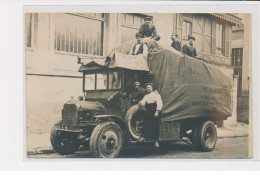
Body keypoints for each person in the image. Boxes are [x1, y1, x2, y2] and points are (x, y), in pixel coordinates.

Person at [139, 83, 163, 148]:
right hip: (149, 110)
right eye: (147, 88)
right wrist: (141, 103)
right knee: (146, 123)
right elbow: (143, 101)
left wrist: (157, 111)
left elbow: (159, 103)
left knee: (155, 125)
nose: (148, 89)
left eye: (149, 87)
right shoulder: (146, 96)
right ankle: (144, 137)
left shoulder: (156, 95)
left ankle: (156, 141)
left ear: (152, 88)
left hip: (154, 110)